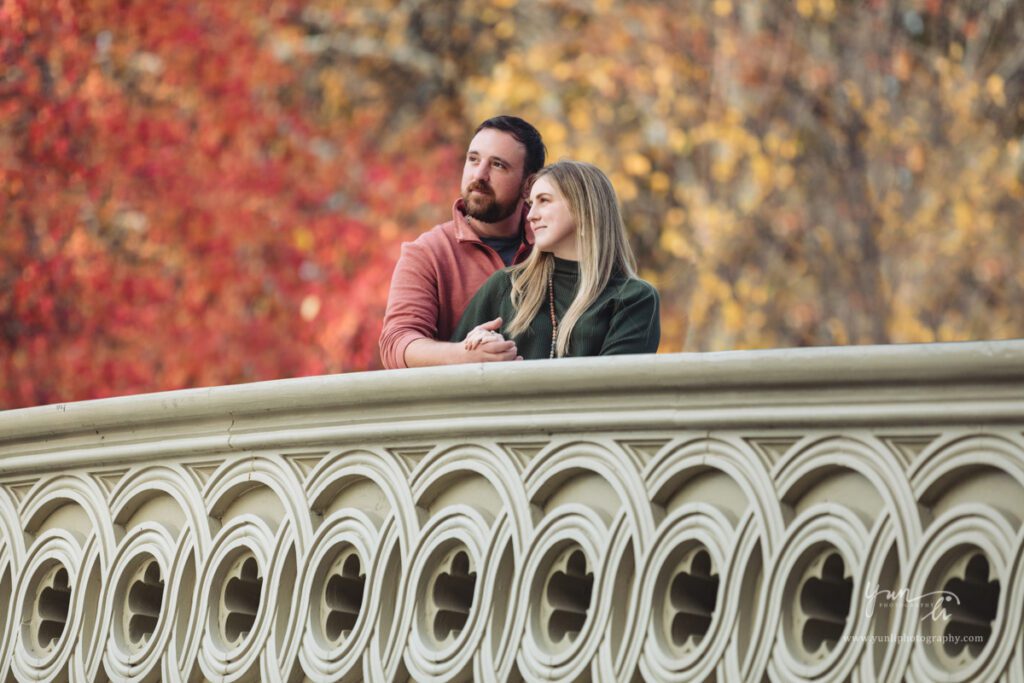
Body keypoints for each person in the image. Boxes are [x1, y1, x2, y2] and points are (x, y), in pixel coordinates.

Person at [378, 116, 546, 368]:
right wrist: (463, 356)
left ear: (528, 185)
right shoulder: (427, 253)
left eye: (498, 165)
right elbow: (396, 343)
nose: (479, 175)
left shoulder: (552, 245)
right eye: (473, 159)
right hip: (463, 404)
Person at [452, 160, 660, 359]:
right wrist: (475, 352)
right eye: (531, 204)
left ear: (583, 209)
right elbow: (451, 374)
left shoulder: (634, 299)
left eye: (544, 201)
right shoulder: (507, 286)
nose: (530, 215)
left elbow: (616, 390)